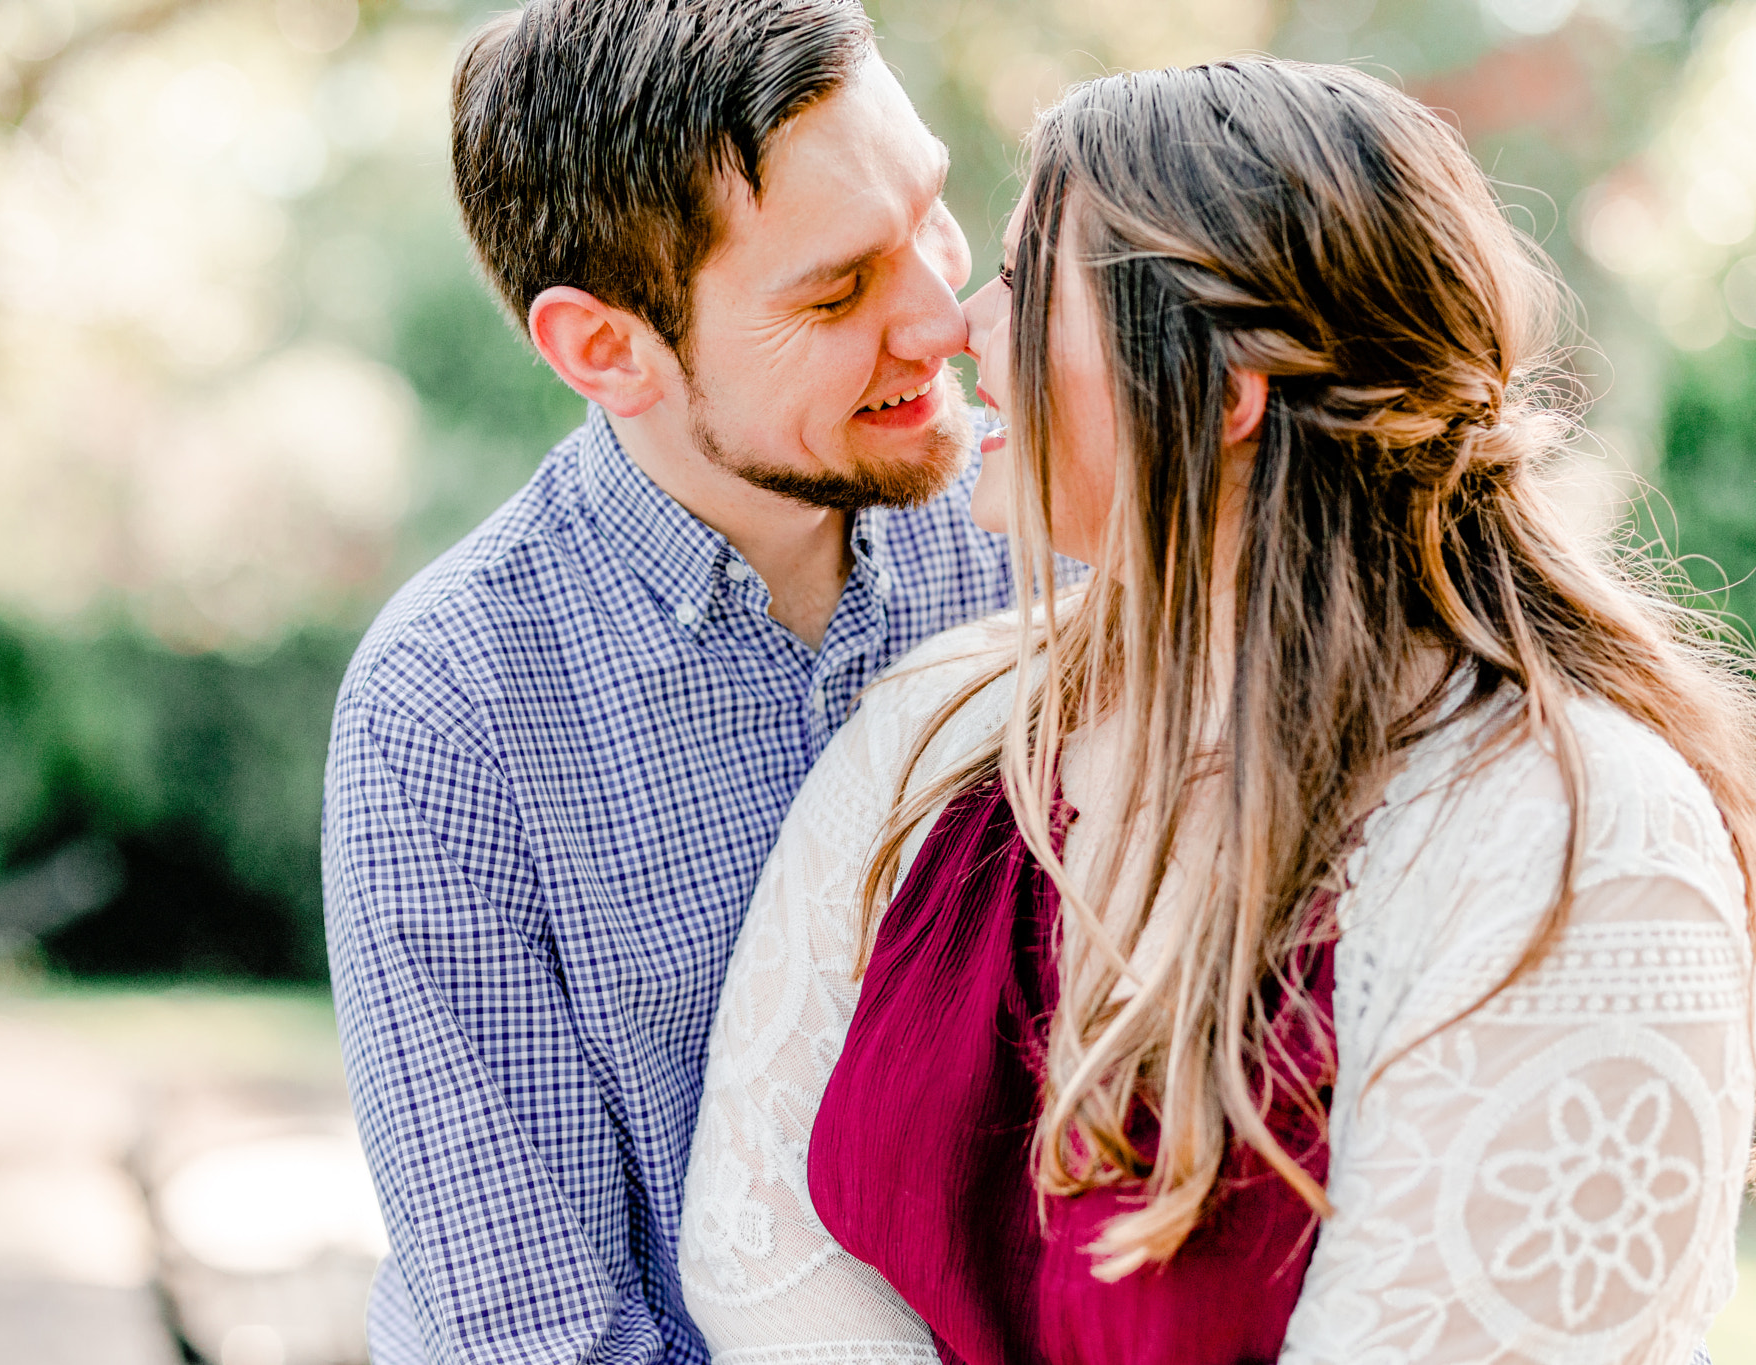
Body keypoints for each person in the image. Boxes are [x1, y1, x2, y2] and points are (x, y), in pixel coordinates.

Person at [680, 59, 1754, 1365]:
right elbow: (756, 1244)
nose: (963, 326)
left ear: (1227, 383)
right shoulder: (939, 727)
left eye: (1024, 282)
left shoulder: (1576, 841)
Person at [321, 1, 1023, 1359]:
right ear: (605, 348)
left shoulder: (1044, 530)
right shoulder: (450, 711)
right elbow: (539, 1330)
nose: (943, 316)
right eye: (837, 290)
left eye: (931, 214)